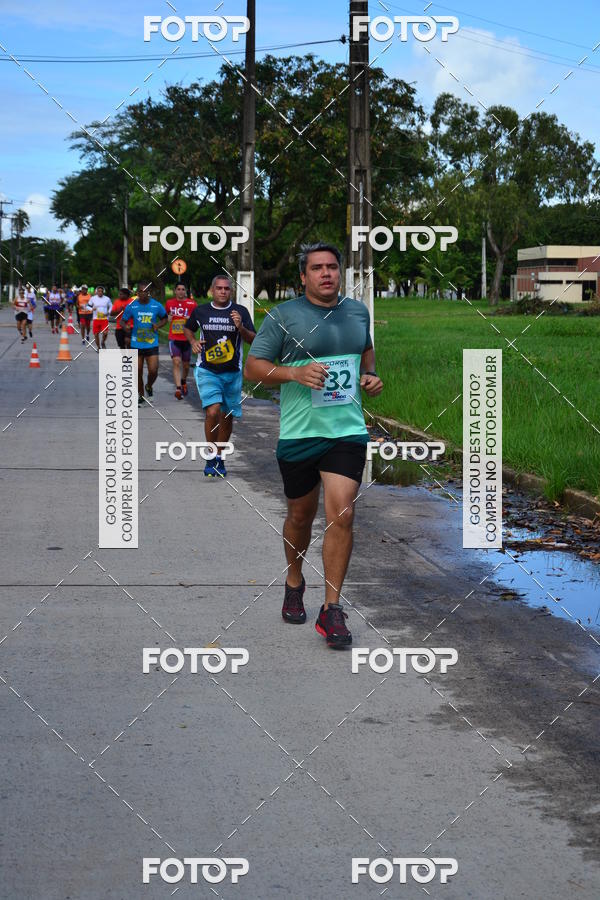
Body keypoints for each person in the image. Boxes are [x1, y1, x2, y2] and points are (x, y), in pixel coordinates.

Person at [244, 242, 383, 647]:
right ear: (303, 276)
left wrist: (371, 377)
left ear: (341, 273)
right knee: (300, 519)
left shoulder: (358, 311)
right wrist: (293, 373)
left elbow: (366, 350)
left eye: (333, 267)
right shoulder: (284, 316)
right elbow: (253, 367)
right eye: (317, 268)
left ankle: (332, 609)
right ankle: (293, 578)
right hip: (300, 433)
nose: (326, 274)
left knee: (342, 512)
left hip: (346, 431)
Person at [183, 275, 255, 477]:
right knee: (213, 411)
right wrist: (192, 342)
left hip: (232, 372)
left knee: (226, 416)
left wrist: (240, 327)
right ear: (211, 290)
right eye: (219, 288)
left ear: (230, 291)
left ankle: (220, 457)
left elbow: (253, 339)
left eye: (227, 289)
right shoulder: (201, 311)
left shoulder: (240, 311)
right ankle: (210, 454)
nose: (223, 291)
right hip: (207, 370)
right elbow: (188, 328)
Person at [121, 283, 167, 406]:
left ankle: (148, 386)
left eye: (145, 291)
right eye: (140, 291)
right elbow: (122, 320)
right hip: (136, 343)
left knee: (153, 370)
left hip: (151, 343)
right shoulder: (132, 306)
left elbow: (164, 318)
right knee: (138, 371)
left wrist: (157, 325)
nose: (143, 293)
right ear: (137, 293)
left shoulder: (156, 305)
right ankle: (140, 395)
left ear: (149, 292)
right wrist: (126, 329)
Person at [165, 282, 197, 399]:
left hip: (187, 339)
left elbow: (197, 320)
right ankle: (178, 388)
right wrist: (169, 317)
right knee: (176, 362)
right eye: (178, 289)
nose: (181, 291)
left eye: (183, 289)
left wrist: (190, 320)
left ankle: (183, 380)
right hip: (174, 338)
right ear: (175, 291)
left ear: (186, 291)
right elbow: (167, 317)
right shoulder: (169, 303)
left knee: (186, 365)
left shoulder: (192, 304)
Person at [86, 285, 112, 350]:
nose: (100, 292)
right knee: (96, 334)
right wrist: (92, 309)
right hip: (96, 318)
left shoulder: (107, 299)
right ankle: (98, 347)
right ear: (96, 292)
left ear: (103, 292)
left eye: (101, 291)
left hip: (104, 319)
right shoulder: (93, 298)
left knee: (105, 333)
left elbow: (111, 306)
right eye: (99, 291)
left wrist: (108, 312)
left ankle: (103, 342)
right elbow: (87, 306)